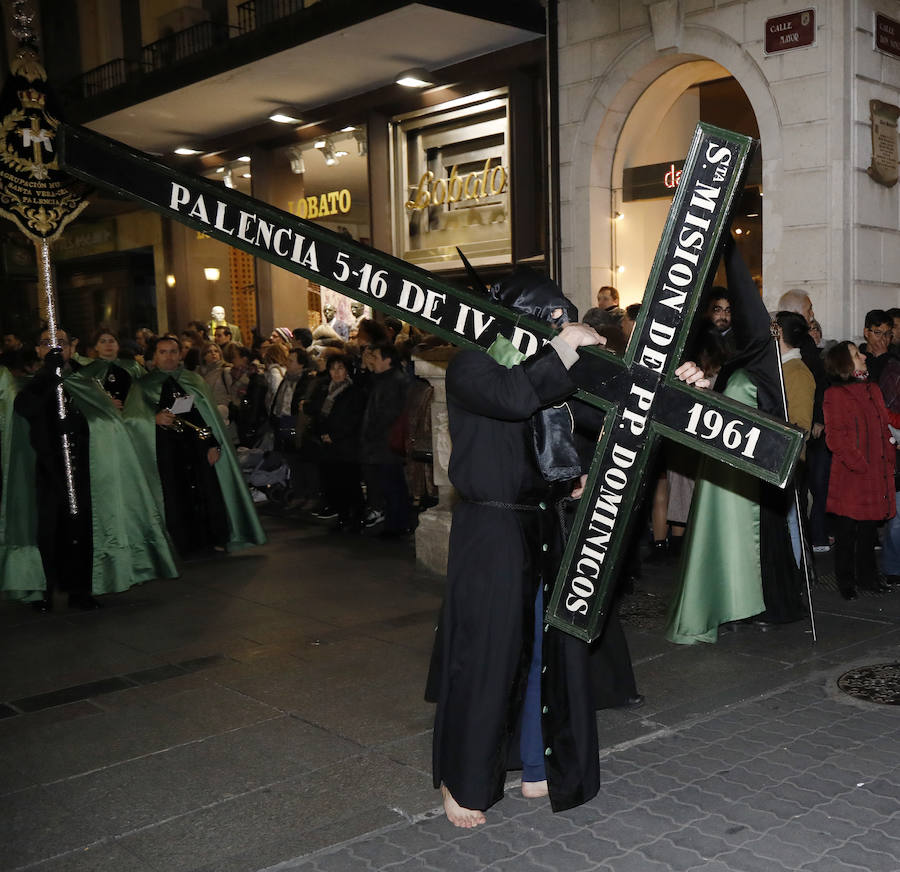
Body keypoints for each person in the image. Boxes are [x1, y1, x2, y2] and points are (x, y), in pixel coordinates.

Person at [425, 263, 708, 827]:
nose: (565, 324)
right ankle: (462, 779)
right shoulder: (473, 365)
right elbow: (514, 397)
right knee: (487, 655)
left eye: (566, 315)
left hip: (543, 524)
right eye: (552, 317)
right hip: (492, 529)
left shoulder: (552, 372)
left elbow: (618, 408)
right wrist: (564, 350)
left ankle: (536, 762)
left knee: (544, 651)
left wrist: (677, 387)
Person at [15, 328, 178, 609]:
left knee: (82, 530)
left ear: (71, 347)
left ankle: (80, 590)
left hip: (84, 466)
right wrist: (48, 379)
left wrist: (79, 426)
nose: (55, 349)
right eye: (47, 344)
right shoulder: (33, 383)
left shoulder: (86, 378)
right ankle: (45, 591)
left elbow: (105, 419)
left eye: (61, 344)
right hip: (47, 468)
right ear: (39, 351)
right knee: (48, 530)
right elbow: (26, 408)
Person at [124, 336, 266, 557]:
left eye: (173, 351)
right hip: (165, 451)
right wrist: (154, 419)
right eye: (163, 352)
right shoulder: (143, 385)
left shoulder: (193, 380)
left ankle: (215, 539)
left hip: (196, 449)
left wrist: (212, 444)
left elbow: (205, 416)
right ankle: (185, 545)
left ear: (180, 354)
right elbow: (131, 420)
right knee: (176, 498)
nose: (169, 356)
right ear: (154, 356)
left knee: (207, 493)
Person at [823, 341, 900, 599]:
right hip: (852, 475)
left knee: (868, 531)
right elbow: (836, 438)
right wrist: (860, 464)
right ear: (844, 363)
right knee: (847, 532)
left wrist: (887, 457)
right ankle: (846, 582)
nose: (864, 356)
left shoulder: (873, 389)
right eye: (857, 354)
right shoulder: (835, 395)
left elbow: (883, 427)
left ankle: (868, 578)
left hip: (875, 472)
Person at [359, 342, 412, 536]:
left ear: (387, 360)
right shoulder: (384, 379)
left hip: (386, 443)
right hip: (381, 443)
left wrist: (371, 433)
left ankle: (397, 524)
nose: (373, 361)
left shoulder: (394, 381)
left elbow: (387, 414)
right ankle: (395, 522)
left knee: (393, 485)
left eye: (376, 357)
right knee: (389, 484)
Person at [78, 328, 144, 407]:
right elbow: (81, 398)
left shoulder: (133, 366)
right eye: (103, 342)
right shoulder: (88, 370)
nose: (108, 344)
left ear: (118, 345)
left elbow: (148, 389)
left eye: (111, 341)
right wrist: (104, 404)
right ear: (96, 347)